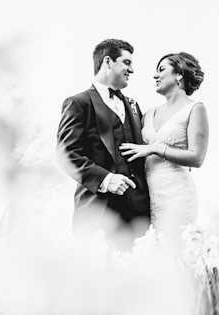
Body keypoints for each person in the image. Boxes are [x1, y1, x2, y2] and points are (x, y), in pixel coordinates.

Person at [56, 39, 150, 251]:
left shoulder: (134, 106)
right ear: (108, 61)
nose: (132, 70)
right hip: (97, 214)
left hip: (138, 216)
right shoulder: (78, 103)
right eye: (127, 62)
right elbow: (66, 154)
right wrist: (106, 179)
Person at [120, 52, 209, 242]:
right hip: (149, 198)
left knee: (172, 256)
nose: (155, 76)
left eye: (161, 70)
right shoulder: (149, 113)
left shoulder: (195, 109)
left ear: (179, 75)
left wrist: (156, 148)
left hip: (177, 196)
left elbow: (197, 158)